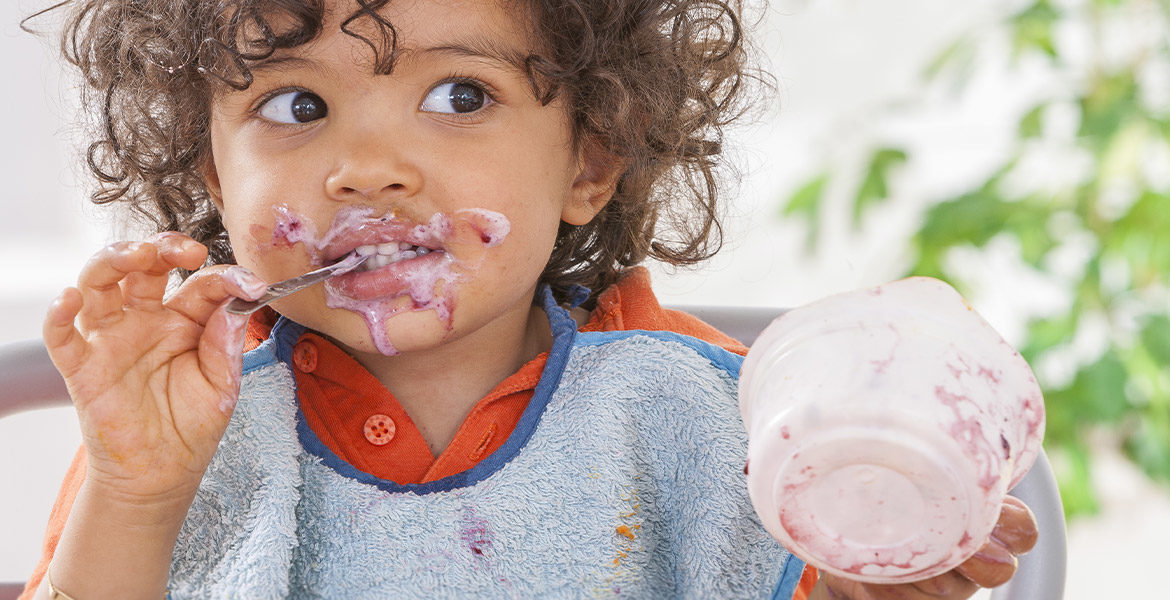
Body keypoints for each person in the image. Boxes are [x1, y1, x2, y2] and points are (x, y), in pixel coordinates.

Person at [21, 0, 1038, 598]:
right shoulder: (177, 434)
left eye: (460, 96)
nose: (366, 168)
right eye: (296, 107)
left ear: (590, 161)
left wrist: (872, 570)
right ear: (212, 176)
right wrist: (139, 492)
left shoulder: (709, 423)